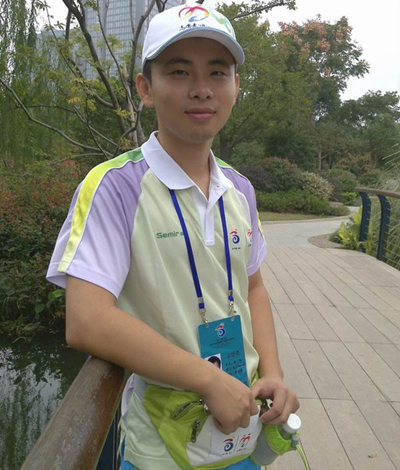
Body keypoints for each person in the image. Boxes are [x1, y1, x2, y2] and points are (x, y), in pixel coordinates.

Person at [47, 2, 299, 469]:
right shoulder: (114, 187)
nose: (202, 89)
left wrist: (274, 373)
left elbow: (254, 286)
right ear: (145, 87)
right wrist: (207, 379)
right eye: (179, 71)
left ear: (236, 86)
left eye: (218, 72)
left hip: (242, 428)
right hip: (160, 448)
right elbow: (86, 319)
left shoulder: (239, 189)